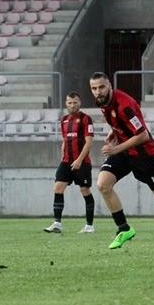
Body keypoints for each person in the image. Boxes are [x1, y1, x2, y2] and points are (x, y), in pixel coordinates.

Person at [89, 72, 154, 254]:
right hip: (124, 151)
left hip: (144, 155)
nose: (98, 92)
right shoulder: (104, 103)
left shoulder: (124, 105)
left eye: (101, 87)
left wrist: (115, 149)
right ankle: (124, 229)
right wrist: (115, 132)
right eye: (94, 88)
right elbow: (122, 124)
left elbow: (143, 134)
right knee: (103, 184)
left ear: (109, 87)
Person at [43, 93, 96, 234]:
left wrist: (79, 160)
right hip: (66, 161)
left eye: (75, 102)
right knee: (58, 188)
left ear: (80, 103)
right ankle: (57, 224)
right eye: (70, 103)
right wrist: (62, 157)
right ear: (66, 103)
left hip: (82, 162)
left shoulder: (86, 119)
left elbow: (89, 142)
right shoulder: (64, 120)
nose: (73, 105)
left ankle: (89, 225)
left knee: (85, 190)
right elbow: (65, 140)